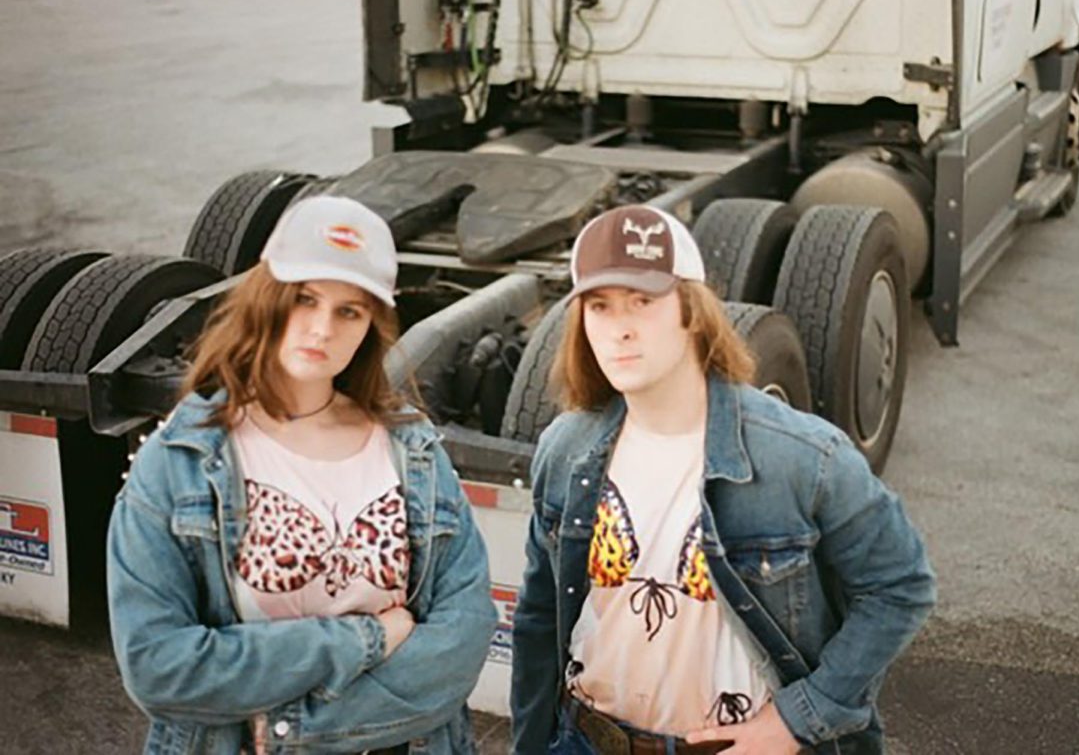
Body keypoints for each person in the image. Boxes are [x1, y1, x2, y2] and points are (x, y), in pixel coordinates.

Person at [510, 205, 936, 754]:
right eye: (599, 306)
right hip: (587, 738)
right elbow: (540, 615)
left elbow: (900, 585)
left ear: (691, 310)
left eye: (643, 301)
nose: (620, 328)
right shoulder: (566, 449)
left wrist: (797, 719)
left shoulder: (802, 457)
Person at [107, 195, 497, 755]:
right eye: (305, 298)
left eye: (349, 311)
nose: (321, 328)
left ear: (371, 325)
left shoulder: (412, 450)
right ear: (267, 297)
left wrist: (296, 729)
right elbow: (159, 667)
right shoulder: (181, 460)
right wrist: (366, 637)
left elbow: (460, 642)